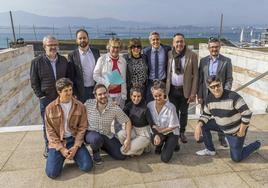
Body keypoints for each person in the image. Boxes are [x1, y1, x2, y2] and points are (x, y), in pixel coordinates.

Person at [194, 76, 261, 162]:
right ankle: (210, 150)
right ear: (209, 88)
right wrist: (198, 126)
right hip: (221, 126)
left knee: (236, 158)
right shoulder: (209, 99)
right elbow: (206, 115)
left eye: (218, 85)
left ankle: (256, 144)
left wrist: (242, 131)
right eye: (212, 87)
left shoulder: (233, 96)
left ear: (221, 84)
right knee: (203, 124)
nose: (216, 88)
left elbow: (247, 114)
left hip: (235, 131)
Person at [45, 78, 93, 178]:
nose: (69, 93)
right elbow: (50, 132)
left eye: (70, 90)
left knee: (87, 166)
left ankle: (74, 154)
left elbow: (82, 127)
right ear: (59, 92)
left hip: (74, 140)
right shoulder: (50, 108)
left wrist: (76, 147)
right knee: (51, 173)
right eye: (66, 91)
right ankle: (61, 156)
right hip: (58, 142)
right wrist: (61, 149)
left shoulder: (80, 106)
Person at [30, 35, 69, 158]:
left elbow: (67, 78)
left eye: (54, 45)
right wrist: (40, 96)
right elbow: (34, 81)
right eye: (50, 45)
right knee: (48, 125)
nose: (52, 47)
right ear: (44, 46)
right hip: (46, 99)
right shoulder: (36, 62)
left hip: (62, 98)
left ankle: (63, 144)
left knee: (63, 122)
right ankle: (48, 146)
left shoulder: (63, 60)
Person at [197, 37, 233, 147]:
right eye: (212, 47)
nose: (214, 49)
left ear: (220, 47)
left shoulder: (226, 61)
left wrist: (224, 93)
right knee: (204, 115)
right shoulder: (203, 61)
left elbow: (229, 79)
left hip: (220, 93)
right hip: (206, 94)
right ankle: (205, 136)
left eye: (216, 47)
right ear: (208, 48)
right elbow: (200, 79)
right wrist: (199, 94)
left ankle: (222, 138)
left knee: (220, 117)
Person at [84, 84, 132, 164]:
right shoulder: (88, 104)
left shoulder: (114, 107)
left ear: (108, 93)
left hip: (106, 134)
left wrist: (128, 139)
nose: (103, 96)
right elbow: (77, 110)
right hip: (91, 133)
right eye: (100, 94)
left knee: (121, 156)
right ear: (95, 96)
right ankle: (96, 152)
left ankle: (102, 146)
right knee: (96, 139)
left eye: (104, 93)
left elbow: (127, 121)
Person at [166, 33, 198, 143]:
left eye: (181, 41)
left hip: (186, 90)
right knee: (173, 112)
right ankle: (174, 132)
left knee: (184, 112)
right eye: (177, 42)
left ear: (184, 42)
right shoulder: (170, 54)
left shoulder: (192, 55)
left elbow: (196, 75)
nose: (179, 44)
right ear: (173, 43)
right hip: (172, 89)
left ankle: (182, 132)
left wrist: (193, 93)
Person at [147, 81, 180, 163]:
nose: (158, 98)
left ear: (164, 93)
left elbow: (173, 126)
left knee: (165, 159)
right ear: (152, 95)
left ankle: (174, 143)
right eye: (155, 96)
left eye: (160, 95)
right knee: (153, 141)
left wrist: (160, 131)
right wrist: (156, 134)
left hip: (171, 132)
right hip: (159, 132)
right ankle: (160, 144)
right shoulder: (149, 105)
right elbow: (150, 122)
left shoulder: (171, 107)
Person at [117, 87, 154, 156]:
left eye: (139, 96)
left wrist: (156, 135)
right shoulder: (129, 105)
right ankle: (137, 147)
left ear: (141, 96)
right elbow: (122, 117)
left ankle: (141, 149)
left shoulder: (145, 108)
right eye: (134, 96)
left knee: (123, 151)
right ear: (131, 96)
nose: (136, 99)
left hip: (144, 134)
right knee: (120, 134)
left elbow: (152, 124)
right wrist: (116, 108)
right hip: (134, 130)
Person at [68, 29, 100, 103]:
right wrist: (74, 92)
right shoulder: (72, 55)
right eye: (80, 38)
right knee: (83, 112)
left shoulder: (96, 52)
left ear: (88, 39)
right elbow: (71, 76)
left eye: (84, 38)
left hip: (96, 88)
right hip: (81, 91)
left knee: (95, 112)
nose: (82, 40)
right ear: (76, 40)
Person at [93, 38, 127, 108]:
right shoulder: (102, 59)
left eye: (117, 47)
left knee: (118, 116)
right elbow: (95, 75)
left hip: (119, 95)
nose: (115, 49)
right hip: (106, 95)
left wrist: (124, 95)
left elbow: (124, 79)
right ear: (109, 47)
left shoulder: (123, 61)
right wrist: (107, 84)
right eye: (113, 47)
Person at [143, 31, 171, 103]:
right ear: (150, 41)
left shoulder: (167, 49)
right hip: (151, 82)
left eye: (157, 39)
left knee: (163, 103)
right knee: (149, 103)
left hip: (163, 81)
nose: (156, 41)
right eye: (153, 40)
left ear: (160, 40)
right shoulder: (146, 51)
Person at [124, 38, 148, 103]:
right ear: (130, 48)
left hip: (143, 88)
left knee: (142, 107)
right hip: (131, 89)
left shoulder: (144, 57)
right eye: (133, 46)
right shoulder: (126, 58)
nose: (136, 48)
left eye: (138, 46)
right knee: (130, 107)